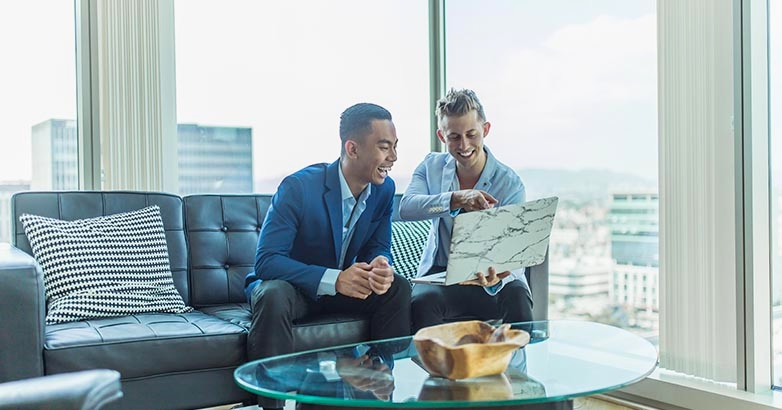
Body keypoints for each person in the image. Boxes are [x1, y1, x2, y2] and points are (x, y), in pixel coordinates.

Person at [245, 103, 411, 410]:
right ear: (353, 148)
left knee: (397, 287)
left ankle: (376, 384)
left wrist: (380, 264)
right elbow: (267, 261)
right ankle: (270, 404)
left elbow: (378, 245)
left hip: (343, 289)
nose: (394, 157)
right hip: (294, 290)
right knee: (272, 294)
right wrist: (335, 280)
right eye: (384, 147)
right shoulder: (298, 187)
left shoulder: (384, 189)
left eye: (395, 147)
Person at [399, 88, 533, 332]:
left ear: (486, 130)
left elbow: (517, 253)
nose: (464, 145)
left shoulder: (510, 183)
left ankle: (518, 370)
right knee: (422, 302)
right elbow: (407, 208)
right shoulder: (431, 167)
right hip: (442, 276)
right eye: (454, 137)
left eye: (472, 134)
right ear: (442, 136)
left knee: (517, 297)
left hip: (493, 278)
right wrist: (455, 199)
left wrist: (498, 274)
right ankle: (435, 370)